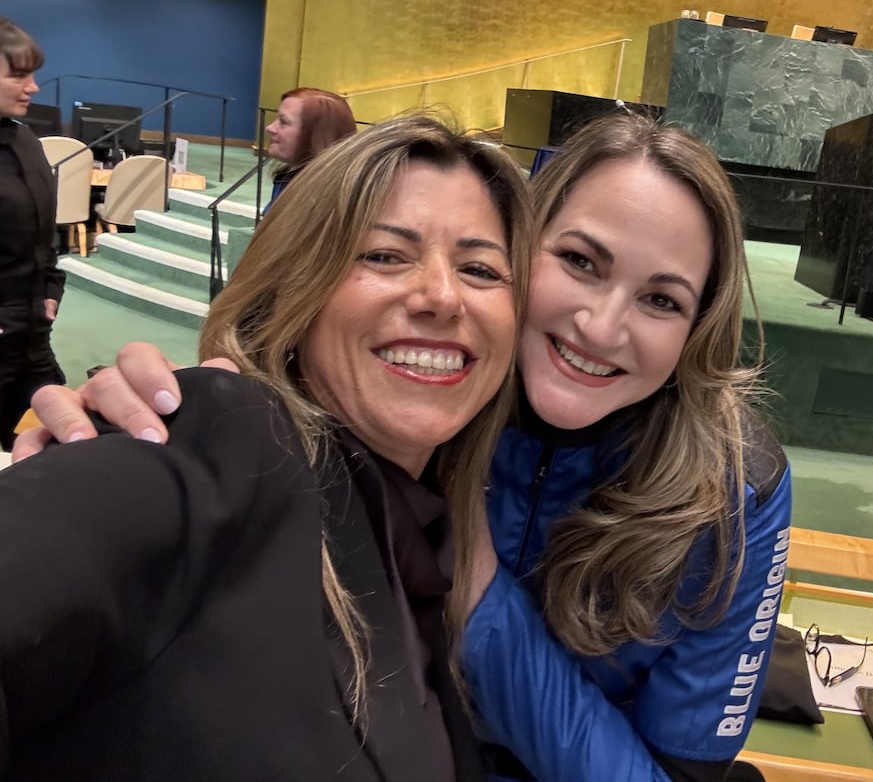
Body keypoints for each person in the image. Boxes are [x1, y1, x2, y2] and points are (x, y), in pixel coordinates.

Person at [18, 113, 791, 782]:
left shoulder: (732, 487)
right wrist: (145, 429)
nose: (602, 324)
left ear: (697, 330)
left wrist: (479, 584)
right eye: (580, 262)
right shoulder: (250, 432)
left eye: (662, 299)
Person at [0, 115, 532, 780]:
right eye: (384, 255)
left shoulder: (428, 537)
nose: (442, 296)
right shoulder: (216, 434)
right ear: (294, 288)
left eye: (480, 268)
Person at [0, 17, 65, 451]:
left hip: (32, 334)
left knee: (66, 424)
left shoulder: (27, 143)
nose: (34, 87)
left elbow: (45, 234)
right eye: (19, 75)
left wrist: (50, 289)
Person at [264, 86, 356, 207]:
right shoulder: (287, 179)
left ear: (316, 135)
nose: (269, 128)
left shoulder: (323, 202)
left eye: (283, 122)